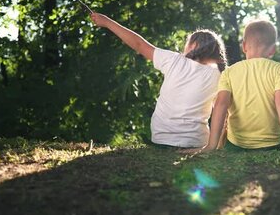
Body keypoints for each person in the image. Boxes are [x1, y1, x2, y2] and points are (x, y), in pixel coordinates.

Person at [90, 12, 226, 148]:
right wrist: (217, 146)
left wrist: (107, 22)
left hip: (162, 139)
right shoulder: (219, 76)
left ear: (193, 45)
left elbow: (139, 44)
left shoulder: (173, 60)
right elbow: (222, 112)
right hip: (196, 142)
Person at [189, 20, 280, 153]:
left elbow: (220, 105)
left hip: (236, 145)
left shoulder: (229, 72)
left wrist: (211, 145)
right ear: (273, 49)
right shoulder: (278, 69)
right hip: (271, 144)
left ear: (244, 46)